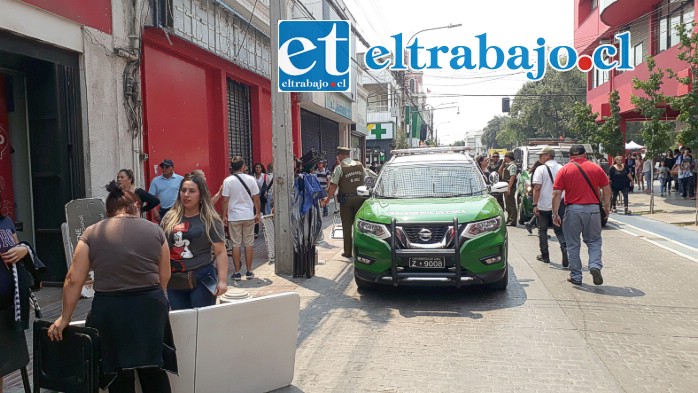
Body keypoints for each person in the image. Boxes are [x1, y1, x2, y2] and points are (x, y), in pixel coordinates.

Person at [47, 181, 175, 392]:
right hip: (150, 307)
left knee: (117, 372)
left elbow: (73, 279)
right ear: (135, 206)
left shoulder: (91, 233)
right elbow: (165, 274)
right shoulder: (155, 231)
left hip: (111, 309)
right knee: (154, 369)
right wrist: (157, 298)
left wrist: (65, 318)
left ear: (108, 211)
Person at [161, 172, 228, 309]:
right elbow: (162, 250)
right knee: (181, 323)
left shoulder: (210, 220)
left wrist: (222, 281)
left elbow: (220, 252)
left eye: (192, 191)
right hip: (175, 280)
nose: (186, 195)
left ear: (201, 194)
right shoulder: (169, 218)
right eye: (183, 190)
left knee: (201, 323)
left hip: (203, 278)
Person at [552, 145, 611, 286]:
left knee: (573, 244)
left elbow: (556, 193)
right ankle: (595, 266)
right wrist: (606, 206)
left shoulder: (565, 169)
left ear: (570, 155)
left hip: (573, 210)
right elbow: (606, 188)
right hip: (593, 209)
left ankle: (576, 276)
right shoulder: (596, 168)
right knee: (594, 241)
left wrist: (555, 213)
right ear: (585, 155)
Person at [321, 146, 367, 258]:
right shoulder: (360, 165)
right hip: (360, 199)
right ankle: (361, 251)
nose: (338, 157)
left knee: (347, 227)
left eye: (338, 155)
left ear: (341, 155)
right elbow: (367, 180)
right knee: (360, 226)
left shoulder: (339, 168)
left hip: (346, 201)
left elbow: (333, 185)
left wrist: (327, 200)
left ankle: (347, 252)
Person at [221, 157, 261, 281]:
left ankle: (237, 272)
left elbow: (225, 200)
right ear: (243, 166)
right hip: (249, 215)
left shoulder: (228, 181)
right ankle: (249, 271)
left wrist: (224, 215)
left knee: (236, 244)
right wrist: (258, 213)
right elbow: (256, 198)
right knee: (249, 244)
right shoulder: (251, 179)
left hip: (234, 217)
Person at [531, 147, 567, 266]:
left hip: (543, 205)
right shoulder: (562, 168)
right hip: (559, 204)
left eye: (540, 155)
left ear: (547, 156)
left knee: (542, 230)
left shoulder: (540, 169)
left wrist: (535, 204)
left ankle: (545, 255)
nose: (539, 157)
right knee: (559, 229)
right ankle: (564, 248)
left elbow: (537, 188)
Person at [524, 160, 544, 235]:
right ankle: (540, 231)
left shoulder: (534, 173)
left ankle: (530, 224)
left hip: (533, 194)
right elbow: (536, 186)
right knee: (540, 213)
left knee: (539, 212)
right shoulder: (536, 173)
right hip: (535, 195)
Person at [252, 163, 271, 237]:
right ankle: (255, 232)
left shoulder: (264, 176)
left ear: (261, 168)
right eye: (256, 167)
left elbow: (266, 185)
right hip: (255, 197)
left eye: (259, 167)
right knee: (255, 213)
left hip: (262, 197)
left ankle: (266, 230)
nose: (257, 169)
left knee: (264, 213)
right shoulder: (252, 176)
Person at [501, 151, 518, 227]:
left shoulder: (512, 166)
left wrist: (509, 188)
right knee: (507, 203)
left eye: (505, 157)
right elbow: (500, 172)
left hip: (510, 187)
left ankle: (513, 220)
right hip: (507, 186)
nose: (504, 158)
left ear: (508, 157)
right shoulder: (507, 165)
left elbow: (512, 177)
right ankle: (509, 218)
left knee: (511, 203)